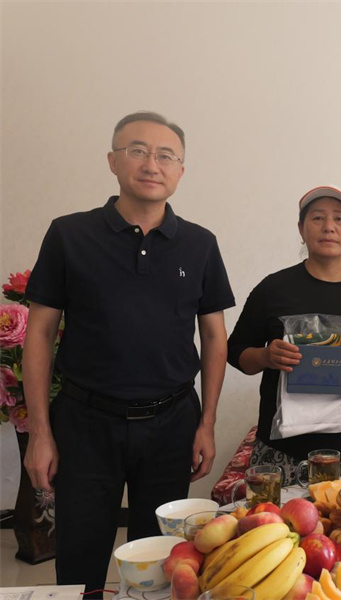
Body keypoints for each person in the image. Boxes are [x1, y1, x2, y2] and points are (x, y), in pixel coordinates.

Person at [22, 111, 233, 597]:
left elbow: (214, 337)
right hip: (85, 422)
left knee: (161, 560)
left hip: (171, 423)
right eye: (138, 150)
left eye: (166, 156)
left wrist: (207, 423)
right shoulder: (69, 235)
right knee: (80, 557)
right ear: (113, 161)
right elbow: (39, 334)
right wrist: (40, 433)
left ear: (181, 170)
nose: (152, 164)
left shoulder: (200, 244)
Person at [227, 186, 341, 480]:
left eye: (339, 219)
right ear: (301, 229)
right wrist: (266, 356)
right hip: (283, 447)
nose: (328, 227)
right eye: (318, 218)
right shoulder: (273, 289)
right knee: (277, 513)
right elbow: (236, 352)